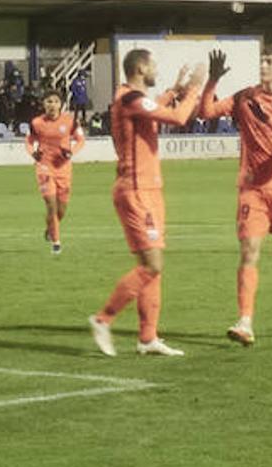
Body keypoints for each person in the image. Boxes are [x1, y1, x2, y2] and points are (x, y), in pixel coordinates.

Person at [87, 50, 205, 358]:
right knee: (152, 265)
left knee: (152, 268)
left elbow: (157, 107)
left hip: (150, 189)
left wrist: (176, 90)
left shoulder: (134, 99)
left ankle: (147, 338)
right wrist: (194, 88)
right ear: (140, 68)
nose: (156, 70)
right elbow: (179, 117)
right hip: (136, 191)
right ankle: (103, 318)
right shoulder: (128, 98)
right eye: (153, 65)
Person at [200, 46, 272, 346]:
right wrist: (211, 82)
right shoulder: (245, 97)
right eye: (262, 60)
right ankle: (245, 321)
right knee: (249, 252)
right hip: (252, 190)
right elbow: (206, 112)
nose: (262, 64)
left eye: (269, 61)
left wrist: (270, 121)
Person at [26, 90, 86, 255]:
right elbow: (29, 141)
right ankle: (56, 243)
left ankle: (50, 228)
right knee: (51, 206)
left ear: (61, 104)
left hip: (64, 169)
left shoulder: (70, 121)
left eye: (55, 101)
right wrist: (33, 153)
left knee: (61, 210)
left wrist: (71, 152)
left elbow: (80, 140)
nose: (52, 105)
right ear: (43, 104)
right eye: (48, 101)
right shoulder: (37, 123)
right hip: (44, 168)